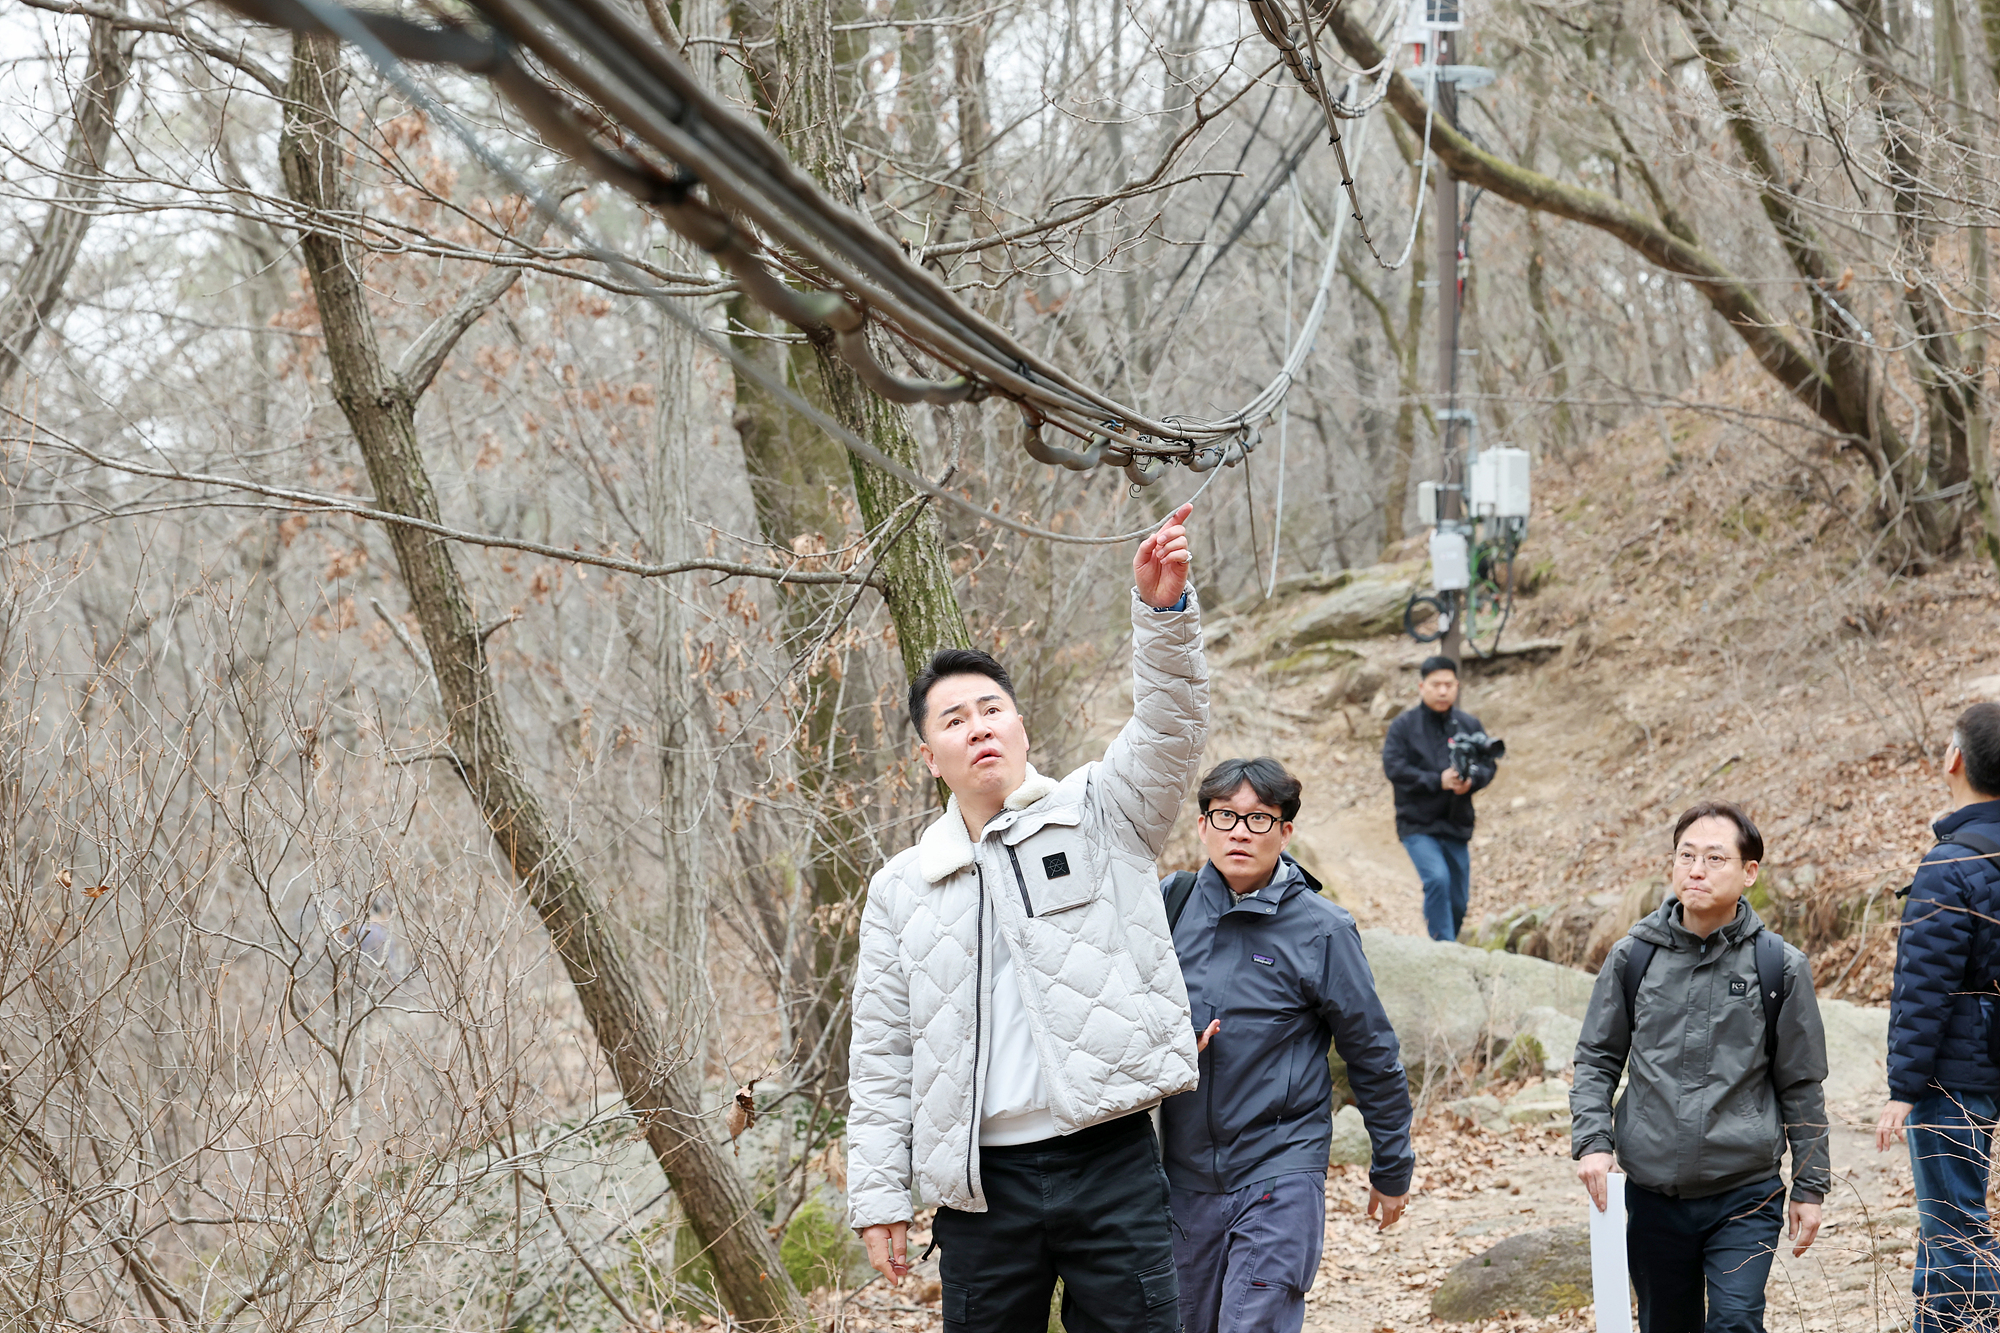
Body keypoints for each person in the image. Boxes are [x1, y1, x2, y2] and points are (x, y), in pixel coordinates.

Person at [846, 503, 1207, 1333]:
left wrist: (1162, 616)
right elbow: (881, 1052)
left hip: (1110, 1157)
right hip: (979, 1188)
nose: (978, 728)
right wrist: (878, 1195)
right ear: (928, 756)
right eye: (954, 719)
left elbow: (1170, 730)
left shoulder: (1102, 813)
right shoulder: (903, 886)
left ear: (1020, 723)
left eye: (991, 709)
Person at [1159, 756, 1414, 1333]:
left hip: (1279, 1167)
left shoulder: (1322, 930)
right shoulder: (1167, 908)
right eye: (1225, 817)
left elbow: (1372, 1054)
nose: (1240, 832)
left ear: (1285, 831)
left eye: (1259, 819)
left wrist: (1391, 1165)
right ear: (1203, 827)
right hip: (1181, 1180)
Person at [1572, 800, 1830, 1333]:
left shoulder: (1779, 966)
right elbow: (1597, 1059)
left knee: (1735, 1322)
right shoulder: (1633, 957)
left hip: (1744, 1190)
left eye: (1715, 858)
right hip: (1652, 1193)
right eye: (1686, 855)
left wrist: (1809, 1186)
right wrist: (1594, 1142)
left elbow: (1801, 1082)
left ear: (1749, 872)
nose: (1695, 869)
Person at [1875, 702, 2000, 1333]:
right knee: (1949, 1229)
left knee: (1954, 1227)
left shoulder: (1950, 865)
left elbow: (1923, 988)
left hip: (1957, 1073)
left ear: (1954, 758)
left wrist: (1903, 1088)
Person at [1380, 655, 1496, 941]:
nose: (1443, 691)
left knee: (1459, 899)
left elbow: (1489, 764)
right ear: (1422, 686)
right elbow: (1394, 768)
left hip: (1457, 823)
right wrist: (1437, 780)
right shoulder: (1403, 726)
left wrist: (1471, 782)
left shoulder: (1468, 724)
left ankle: (1447, 943)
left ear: (1457, 686)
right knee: (1437, 879)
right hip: (1417, 824)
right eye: (1436, 685)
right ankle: (1443, 946)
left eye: (1448, 684)